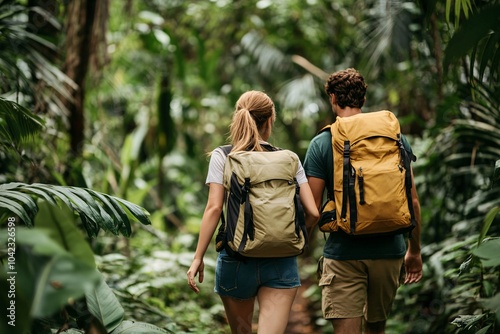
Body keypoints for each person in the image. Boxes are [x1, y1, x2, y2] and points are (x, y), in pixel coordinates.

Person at [187, 90, 320, 334]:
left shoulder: (224, 156)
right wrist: (292, 234)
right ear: (270, 120)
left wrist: (198, 258)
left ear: (238, 117)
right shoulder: (289, 159)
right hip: (281, 261)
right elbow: (313, 212)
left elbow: (215, 207)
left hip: (237, 261)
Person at [304, 68, 423, 334]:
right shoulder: (395, 139)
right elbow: (412, 201)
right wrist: (414, 250)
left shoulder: (323, 142)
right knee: (376, 329)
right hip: (389, 251)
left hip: (344, 254)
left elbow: (311, 210)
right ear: (364, 100)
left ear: (333, 98)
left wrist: (297, 248)